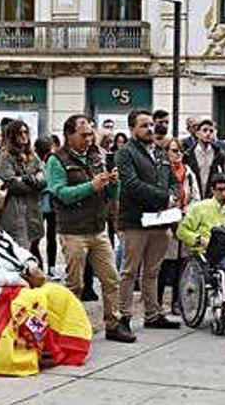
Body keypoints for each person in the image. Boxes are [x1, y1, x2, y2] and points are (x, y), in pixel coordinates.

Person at [0, 204, 91, 375]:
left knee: (59, 294)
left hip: (17, 283)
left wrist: (30, 264)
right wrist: (16, 279)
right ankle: (34, 347)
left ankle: (65, 342)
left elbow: (20, 251)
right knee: (32, 302)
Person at [45, 114, 134, 343]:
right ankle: (68, 327)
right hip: (73, 231)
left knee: (111, 278)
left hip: (98, 229)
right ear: (69, 135)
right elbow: (60, 193)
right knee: (75, 284)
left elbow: (110, 194)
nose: (88, 139)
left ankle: (113, 324)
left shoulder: (96, 155)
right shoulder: (57, 160)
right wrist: (91, 186)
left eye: (90, 134)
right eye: (83, 135)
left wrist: (113, 184)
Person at [114, 109, 181, 331]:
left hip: (160, 220)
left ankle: (153, 314)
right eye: (144, 125)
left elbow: (172, 179)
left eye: (151, 125)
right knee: (129, 270)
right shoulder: (125, 153)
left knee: (153, 270)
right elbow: (132, 184)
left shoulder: (160, 152)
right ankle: (123, 315)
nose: (150, 129)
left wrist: (173, 194)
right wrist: (164, 197)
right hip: (136, 220)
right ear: (132, 128)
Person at [176, 174, 225, 319]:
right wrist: (199, 240)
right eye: (220, 190)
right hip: (208, 252)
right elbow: (182, 231)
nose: (224, 193)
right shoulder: (200, 208)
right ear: (213, 190)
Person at [158, 137, 200, 313]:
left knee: (181, 266)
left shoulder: (188, 172)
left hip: (183, 223)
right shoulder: (160, 171)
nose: (178, 155)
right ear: (166, 153)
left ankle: (177, 302)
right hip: (165, 224)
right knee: (163, 266)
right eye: (174, 151)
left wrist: (187, 213)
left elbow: (196, 197)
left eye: (180, 151)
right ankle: (157, 302)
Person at [0, 120, 46, 260]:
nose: (24, 136)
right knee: (19, 250)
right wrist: (31, 180)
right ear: (12, 135)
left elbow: (44, 180)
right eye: (20, 133)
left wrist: (26, 179)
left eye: (26, 132)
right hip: (15, 210)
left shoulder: (33, 156)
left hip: (33, 209)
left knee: (34, 248)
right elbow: (11, 184)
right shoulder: (6, 156)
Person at [33, 136, 58, 278]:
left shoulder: (52, 161)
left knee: (51, 236)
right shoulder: (35, 161)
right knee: (36, 237)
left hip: (51, 204)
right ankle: (42, 267)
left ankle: (51, 267)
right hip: (39, 204)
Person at [183, 119, 225, 198]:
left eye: (211, 131)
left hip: (212, 197)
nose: (208, 133)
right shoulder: (188, 155)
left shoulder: (219, 154)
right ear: (197, 133)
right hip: (194, 196)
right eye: (205, 130)